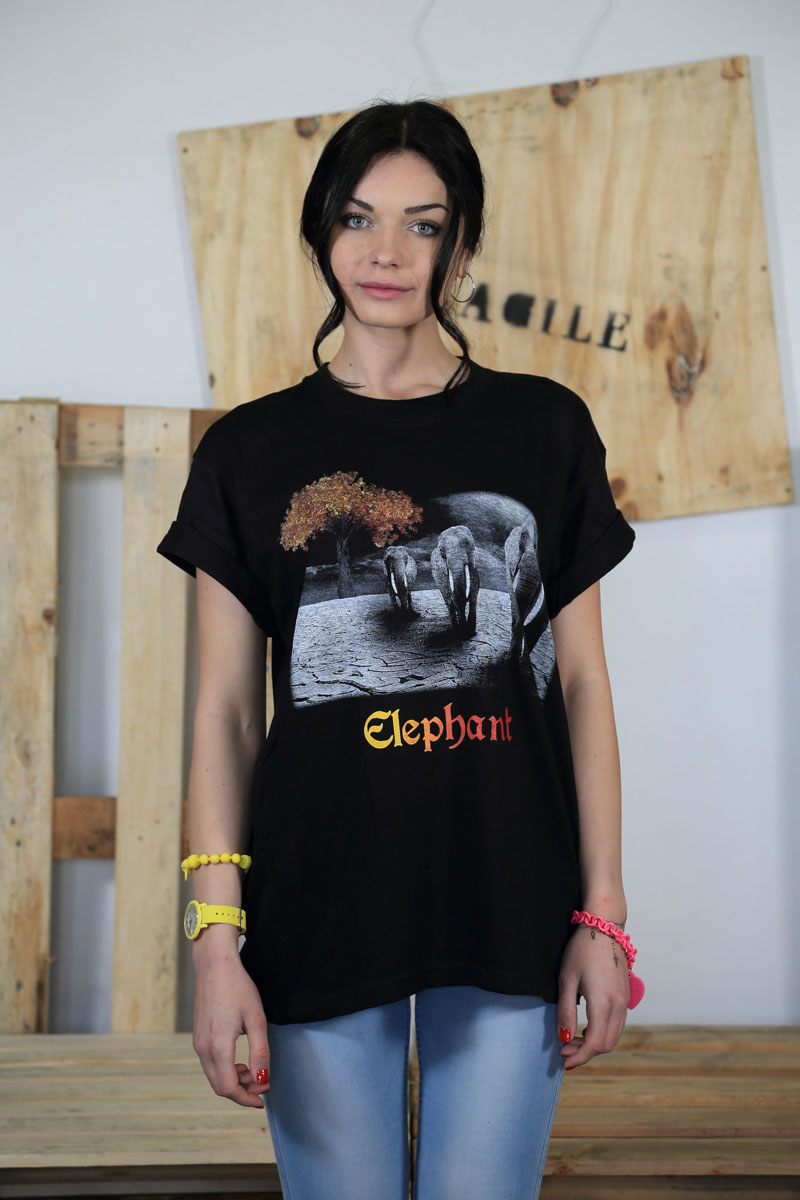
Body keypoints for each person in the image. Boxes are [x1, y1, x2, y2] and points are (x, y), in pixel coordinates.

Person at [157, 97, 639, 1200]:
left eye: (422, 224)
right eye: (358, 218)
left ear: (460, 244)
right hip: (315, 905)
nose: (386, 252)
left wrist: (601, 913)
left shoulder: (544, 427)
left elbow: (581, 682)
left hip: (510, 899)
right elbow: (225, 713)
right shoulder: (247, 452)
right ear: (321, 230)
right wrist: (215, 939)